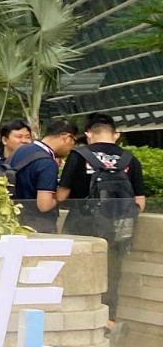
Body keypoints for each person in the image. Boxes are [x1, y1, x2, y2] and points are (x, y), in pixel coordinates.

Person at [57, 112, 146, 323]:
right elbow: (140, 202)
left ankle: (77, 321)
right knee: (111, 275)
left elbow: (61, 195)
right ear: (116, 135)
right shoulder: (130, 159)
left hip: (81, 227)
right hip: (116, 230)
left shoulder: (78, 156)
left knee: (77, 272)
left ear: (89, 134)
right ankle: (108, 321)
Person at [10, 118, 79, 233]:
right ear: (66, 138)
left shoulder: (19, 151)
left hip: (12, 221)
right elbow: (44, 205)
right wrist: (60, 197)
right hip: (36, 227)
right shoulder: (47, 163)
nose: (72, 148)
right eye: (74, 142)